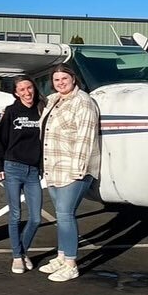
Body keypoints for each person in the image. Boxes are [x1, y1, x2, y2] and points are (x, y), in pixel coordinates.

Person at [38, 64, 101, 282]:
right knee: (61, 215)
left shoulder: (83, 102)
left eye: (64, 78)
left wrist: (78, 171)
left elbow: (86, 137)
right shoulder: (53, 99)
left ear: (74, 78)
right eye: (56, 79)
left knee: (65, 215)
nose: (61, 82)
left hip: (73, 169)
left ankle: (71, 264)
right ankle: (62, 256)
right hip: (53, 166)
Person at [0, 76, 44, 274]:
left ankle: (22, 252)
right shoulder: (12, 112)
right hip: (13, 167)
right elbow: (0, 140)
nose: (27, 92)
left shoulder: (42, 109)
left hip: (33, 171)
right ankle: (16, 257)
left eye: (29, 87)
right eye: (21, 89)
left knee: (36, 218)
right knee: (15, 215)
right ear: (16, 93)